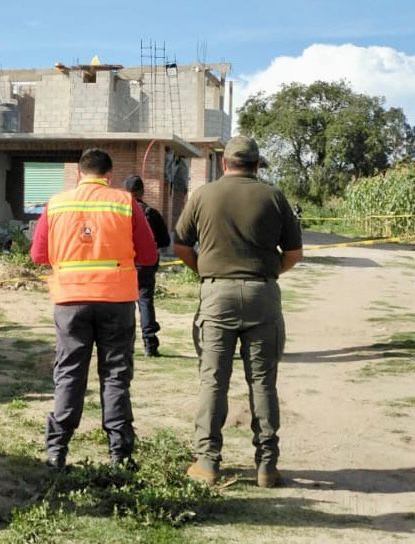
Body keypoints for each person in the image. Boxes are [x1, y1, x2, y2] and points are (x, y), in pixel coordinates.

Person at [172, 136, 302, 488]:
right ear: (257, 165)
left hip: (217, 294)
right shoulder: (274, 197)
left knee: (213, 381)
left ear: (224, 163)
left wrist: (204, 270)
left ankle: (208, 462)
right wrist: (268, 270)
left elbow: (181, 244)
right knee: (263, 382)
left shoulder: (203, 195)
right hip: (263, 294)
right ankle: (267, 466)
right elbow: (293, 253)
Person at [31, 149, 160, 469]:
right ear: (110, 176)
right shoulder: (124, 203)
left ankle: (56, 450)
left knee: (69, 373)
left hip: (70, 301)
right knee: (115, 375)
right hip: (116, 300)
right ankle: (119, 453)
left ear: (79, 174)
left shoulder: (57, 204)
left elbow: (38, 255)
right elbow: (148, 255)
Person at [123, 175, 172, 357]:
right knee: (145, 303)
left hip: (124, 265)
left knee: (125, 306)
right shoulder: (151, 212)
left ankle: (125, 345)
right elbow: (165, 241)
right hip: (146, 265)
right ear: (141, 191)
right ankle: (150, 344)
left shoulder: (118, 213)